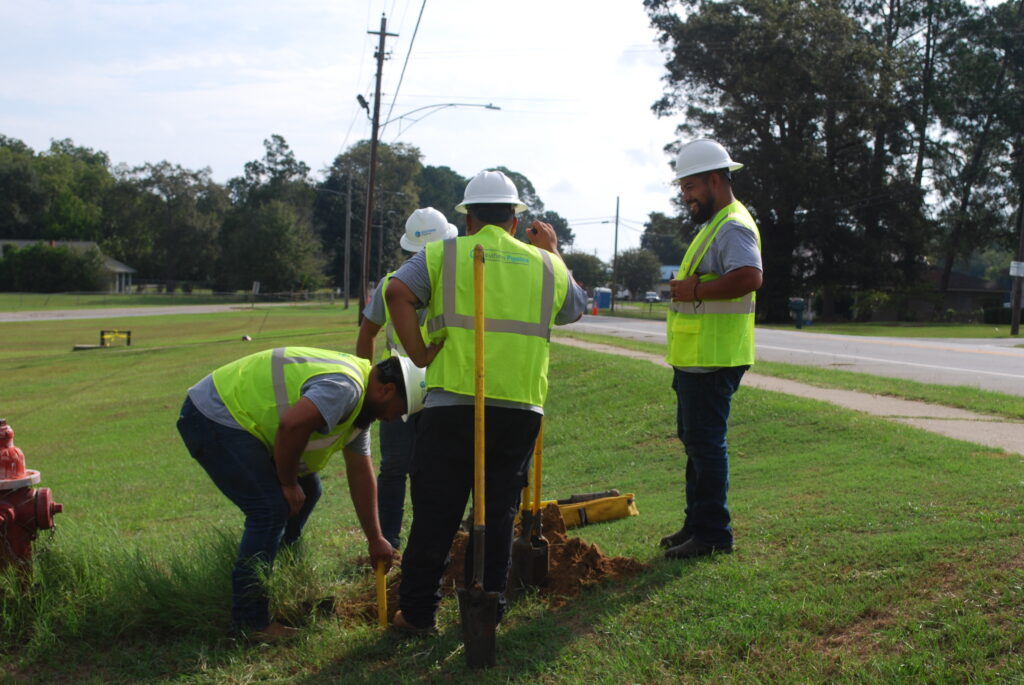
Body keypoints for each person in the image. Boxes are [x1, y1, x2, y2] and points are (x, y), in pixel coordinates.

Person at [384, 169, 587, 633]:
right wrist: (553, 251)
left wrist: (417, 353)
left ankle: (416, 614)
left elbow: (396, 291)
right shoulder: (545, 263)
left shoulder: (444, 253)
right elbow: (575, 308)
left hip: (453, 404)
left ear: (469, 219)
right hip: (519, 410)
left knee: (436, 512)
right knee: (498, 515)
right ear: (514, 220)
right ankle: (487, 615)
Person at [176, 346, 424, 641]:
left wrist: (375, 538)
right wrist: (287, 482)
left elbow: (360, 472)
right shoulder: (345, 388)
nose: (394, 420)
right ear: (386, 390)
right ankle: (250, 623)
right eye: (400, 410)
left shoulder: (360, 411)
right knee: (270, 511)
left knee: (310, 489)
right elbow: (292, 425)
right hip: (215, 415)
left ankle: (278, 583)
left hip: (234, 418)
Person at [660, 139, 763, 560]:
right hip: (698, 356)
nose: (685, 196)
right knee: (695, 442)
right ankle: (696, 525)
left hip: (714, 357)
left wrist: (695, 289)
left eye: (690, 187)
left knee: (705, 444)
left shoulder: (733, 225)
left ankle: (714, 535)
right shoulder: (713, 224)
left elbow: (750, 276)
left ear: (715, 180)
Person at [355, 207, 457, 549]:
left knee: (428, 467)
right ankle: (389, 542)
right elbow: (367, 332)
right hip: (402, 393)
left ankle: (430, 541)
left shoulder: (455, 284)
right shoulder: (391, 285)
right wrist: (364, 384)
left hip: (443, 390)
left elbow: (366, 334)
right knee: (399, 467)